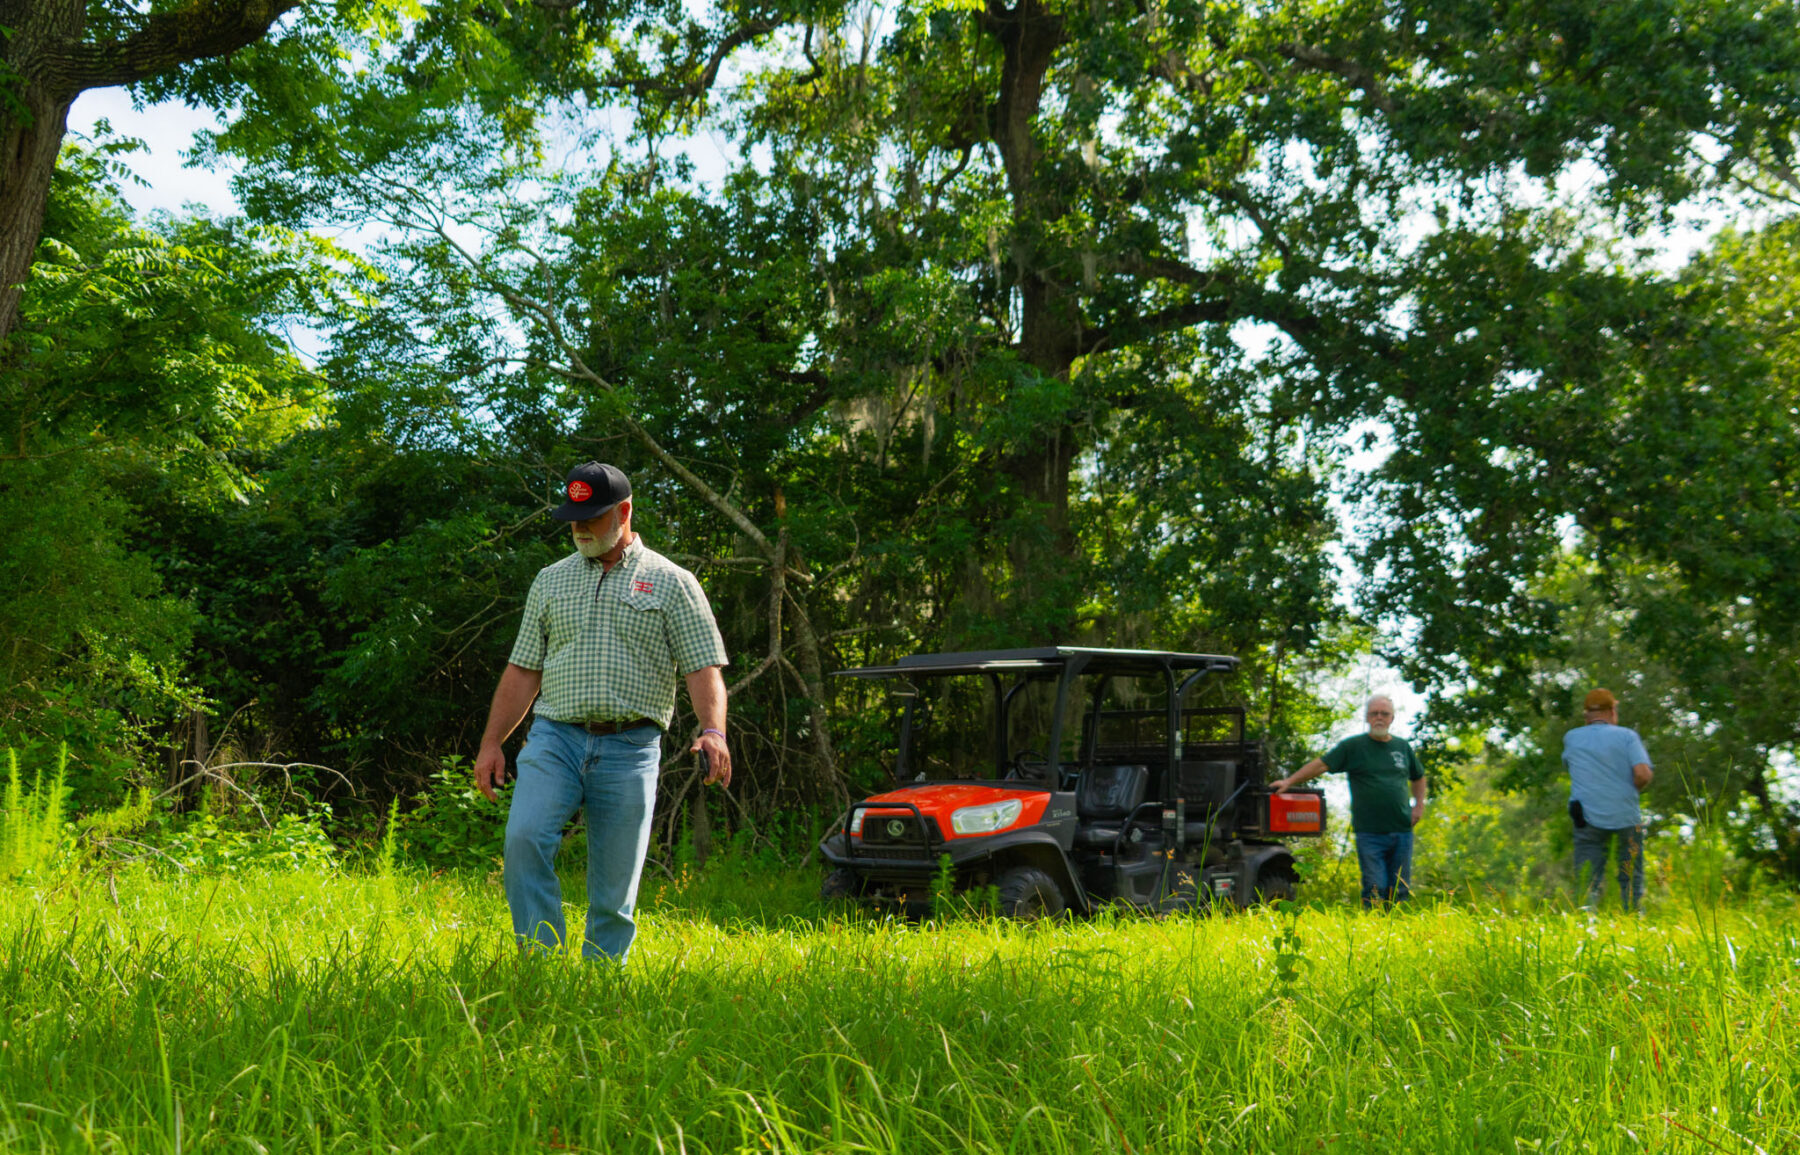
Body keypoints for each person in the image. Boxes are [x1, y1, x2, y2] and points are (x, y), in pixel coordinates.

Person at [473, 461, 731, 962]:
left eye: (591, 517)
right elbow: (524, 669)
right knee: (524, 838)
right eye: (574, 518)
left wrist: (713, 731)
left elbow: (703, 668)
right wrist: (491, 743)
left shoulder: (673, 582)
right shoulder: (550, 581)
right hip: (555, 738)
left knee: (615, 886)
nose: (580, 528)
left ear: (625, 511)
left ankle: (600, 980)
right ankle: (540, 961)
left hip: (630, 748)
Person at [1269, 695, 1427, 908]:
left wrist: (1419, 806)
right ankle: (1374, 926)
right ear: (1367, 717)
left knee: (1399, 887)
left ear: (1392, 718)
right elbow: (1321, 764)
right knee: (1375, 885)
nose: (1379, 718)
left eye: (1384, 714)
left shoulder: (1402, 747)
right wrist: (1289, 781)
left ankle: (1398, 927)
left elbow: (1418, 776)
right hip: (1369, 832)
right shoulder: (1354, 746)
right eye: (1374, 713)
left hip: (1402, 829)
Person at [1562, 688, 1652, 912]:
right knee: (1631, 876)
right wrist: (1628, 791)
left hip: (1586, 816)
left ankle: (1585, 922)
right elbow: (1642, 774)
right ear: (1613, 711)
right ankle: (1633, 920)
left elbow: (1570, 766)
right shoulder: (1627, 737)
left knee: (1586, 878)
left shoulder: (1571, 738)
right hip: (1625, 813)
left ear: (1586, 716)